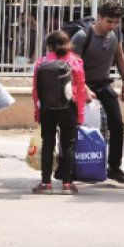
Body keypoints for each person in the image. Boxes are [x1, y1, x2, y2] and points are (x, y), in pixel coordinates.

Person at [71, 1, 124, 183]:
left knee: (117, 124)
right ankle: (73, 166)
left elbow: (120, 56)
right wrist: (84, 88)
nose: (112, 26)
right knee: (80, 126)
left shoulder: (115, 34)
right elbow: (73, 65)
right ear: (99, 17)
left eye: (116, 22)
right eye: (109, 21)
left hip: (103, 84)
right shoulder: (83, 36)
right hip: (82, 84)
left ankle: (114, 167)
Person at [31, 31, 87, 195]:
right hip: (69, 108)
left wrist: (37, 111)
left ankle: (45, 183)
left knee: (48, 144)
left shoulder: (42, 62)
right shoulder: (75, 61)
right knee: (68, 145)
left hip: (47, 109)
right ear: (68, 44)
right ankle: (67, 184)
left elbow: (36, 90)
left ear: (49, 46)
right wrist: (80, 114)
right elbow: (81, 88)